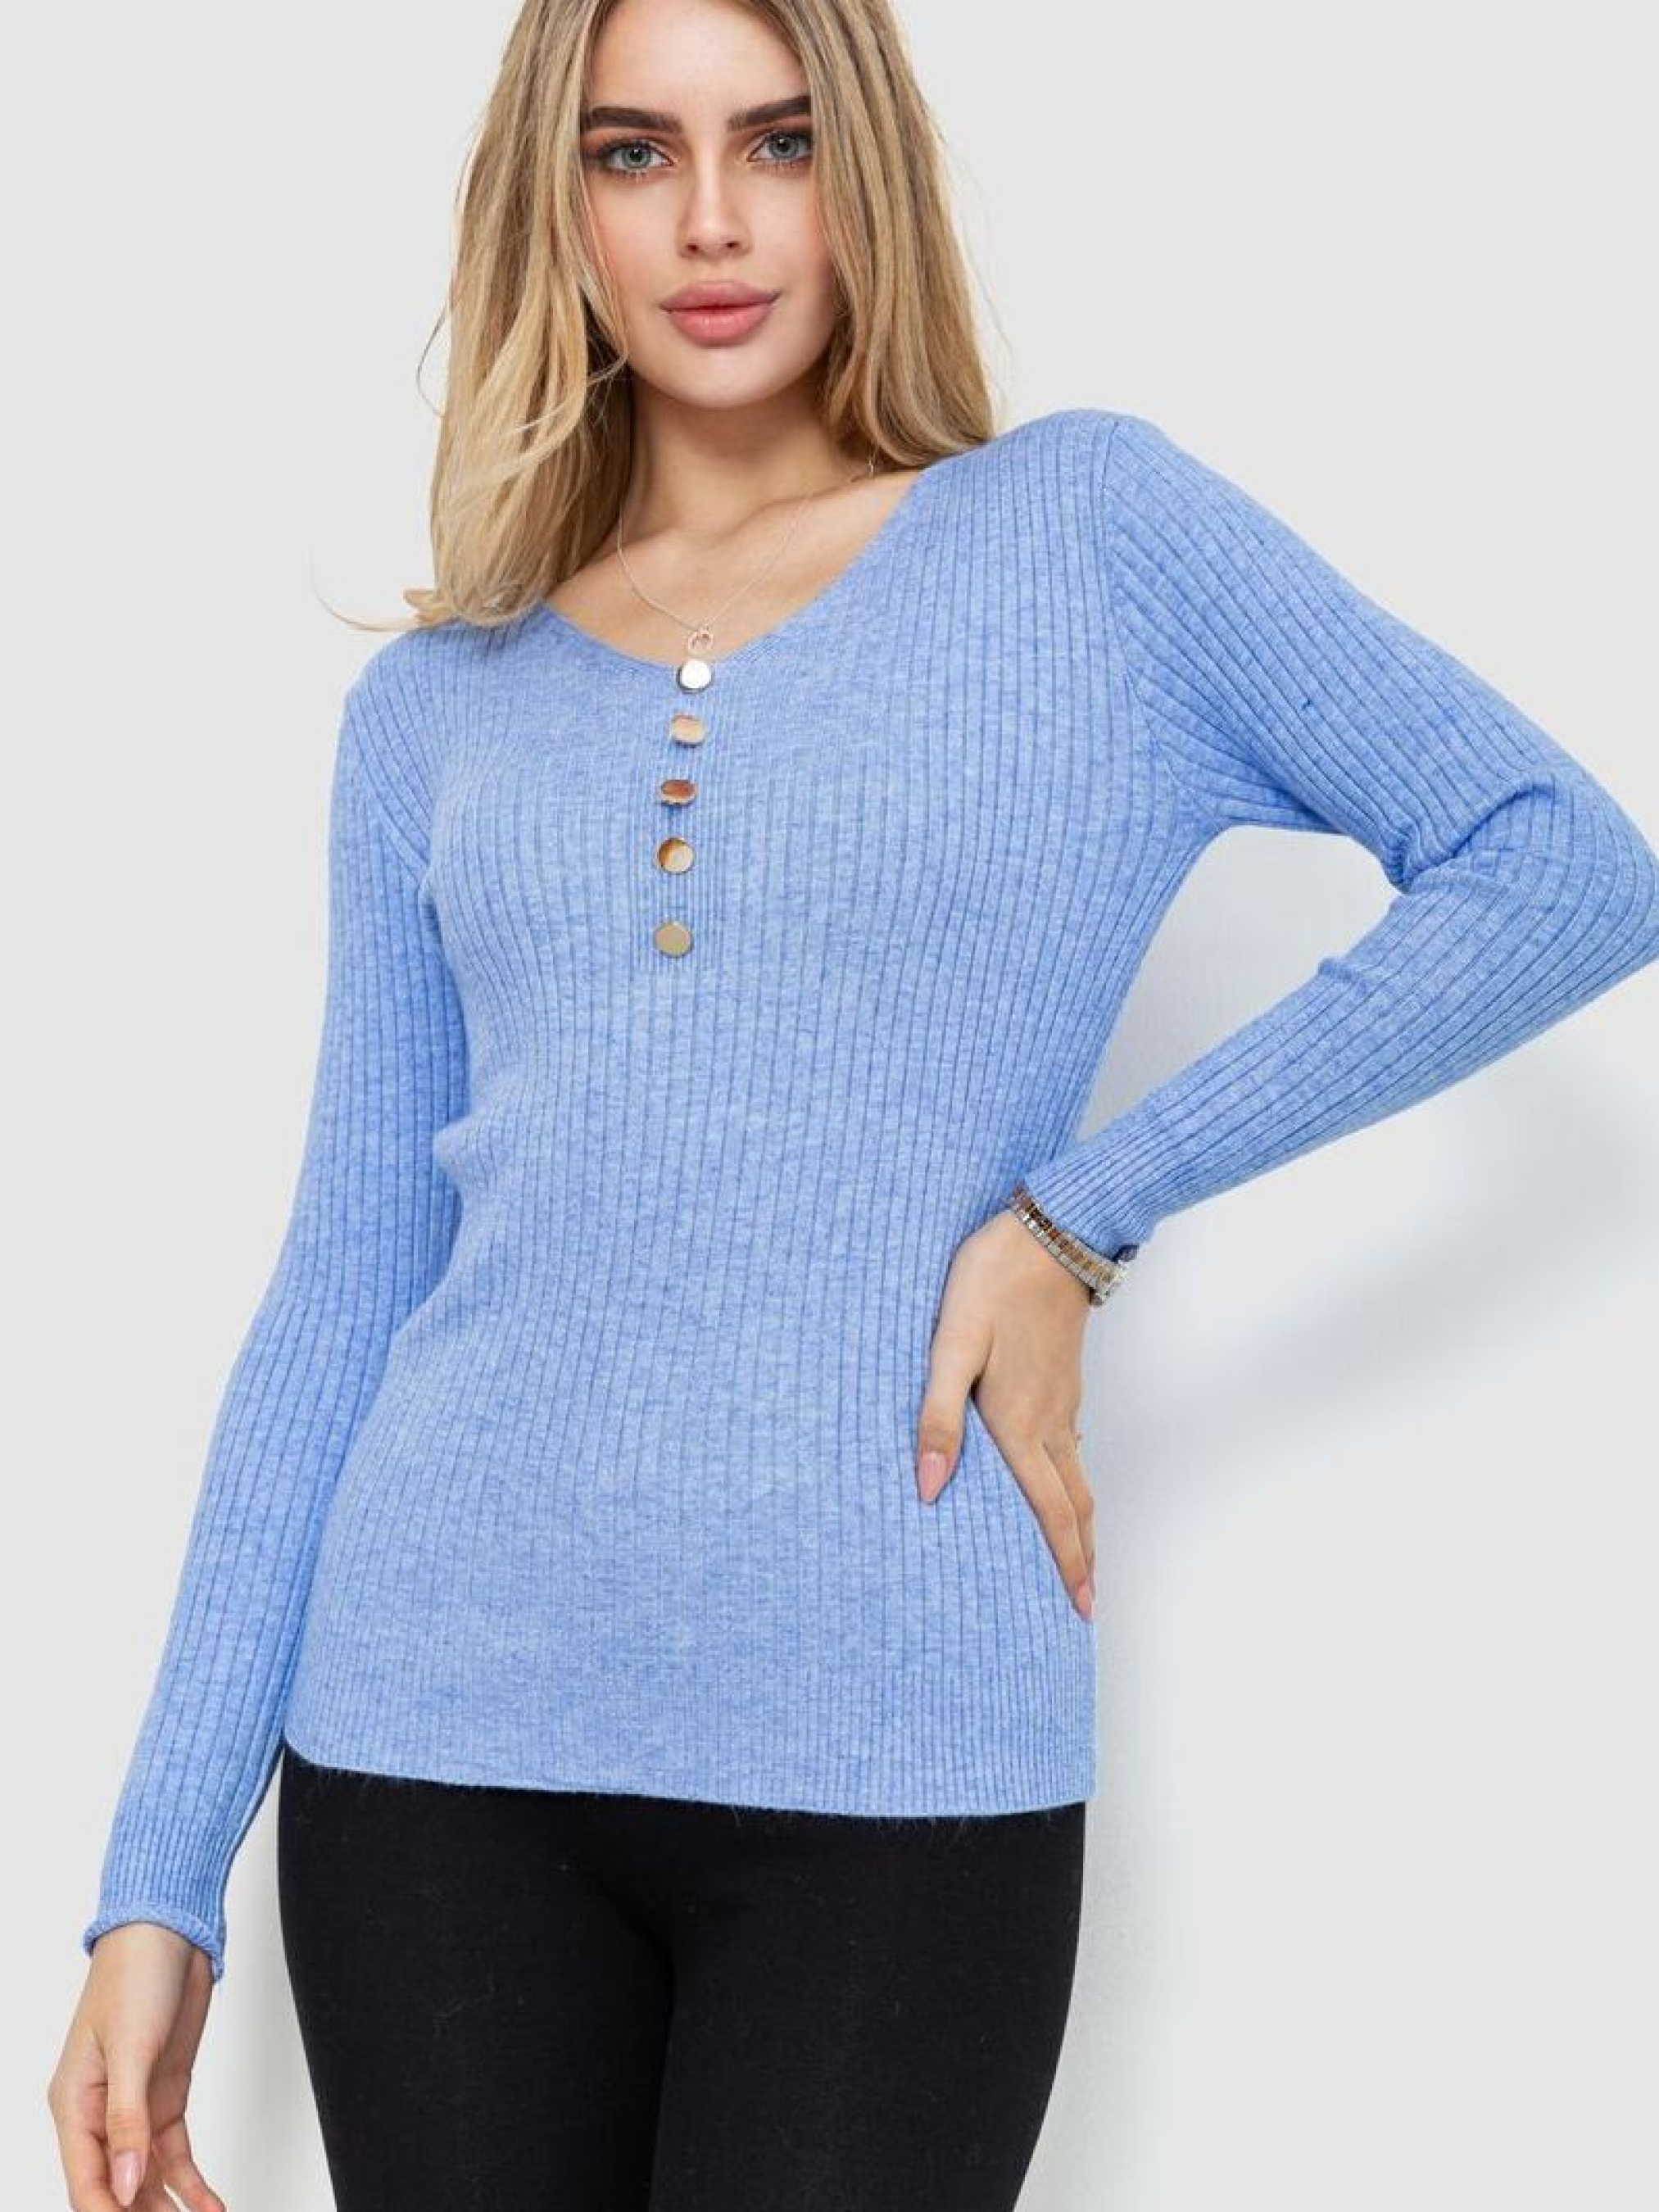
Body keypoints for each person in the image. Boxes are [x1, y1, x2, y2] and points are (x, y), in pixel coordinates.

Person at [48, 0, 1659, 2205]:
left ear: (864, 174)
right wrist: (158, 1874)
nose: (712, 219)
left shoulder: (1085, 538)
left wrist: (1084, 1209)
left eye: (780, 142)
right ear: (555, 208)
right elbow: (344, 1293)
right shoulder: (436, 709)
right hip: (427, 1759)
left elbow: (1559, 865)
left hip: (897, 1746)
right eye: (634, 152)